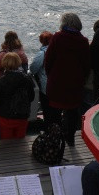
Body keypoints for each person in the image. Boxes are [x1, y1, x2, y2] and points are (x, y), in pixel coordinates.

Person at [39, 12, 91, 147]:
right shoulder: (83, 42)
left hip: (57, 82)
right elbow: (86, 65)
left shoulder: (57, 38)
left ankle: (55, 139)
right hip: (75, 84)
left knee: (54, 113)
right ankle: (70, 137)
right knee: (72, 111)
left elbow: (48, 61)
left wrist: (51, 76)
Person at [0, 52, 35, 139]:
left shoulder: (2, 81)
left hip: (6, 117)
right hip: (22, 116)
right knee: (20, 142)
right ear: (18, 62)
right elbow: (31, 97)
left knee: (6, 143)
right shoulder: (26, 79)